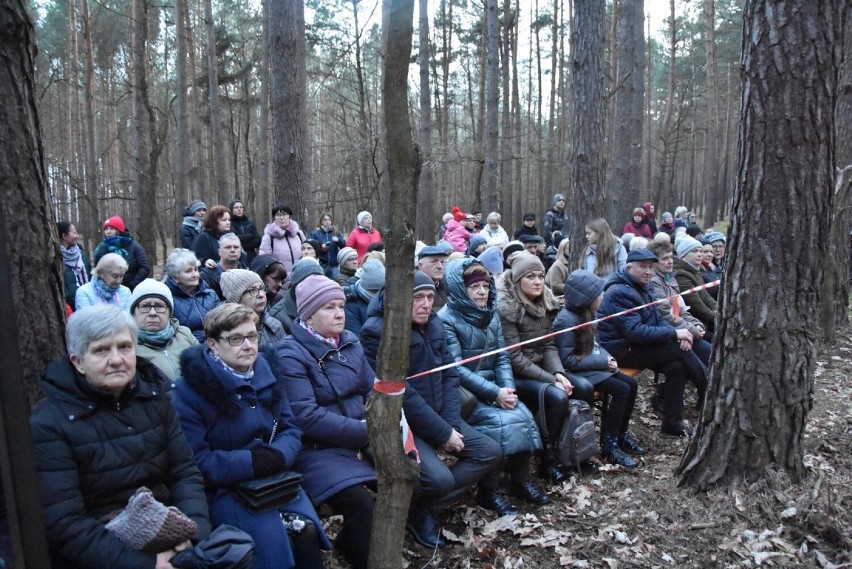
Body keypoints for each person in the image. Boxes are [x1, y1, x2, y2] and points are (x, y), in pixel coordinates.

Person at [30, 305, 211, 568]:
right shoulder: (50, 423)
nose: (116, 359)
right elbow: (64, 522)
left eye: (124, 347)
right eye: (101, 350)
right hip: (107, 553)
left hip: (172, 534)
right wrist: (147, 564)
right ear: (78, 362)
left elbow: (184, 472)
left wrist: (191, 533)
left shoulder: (155, 399)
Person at [173, 304, 330, 569]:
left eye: (252, 336)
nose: (247, 345)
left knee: (308, 532)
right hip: (227, 490)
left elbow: (290, 428)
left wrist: (278, 455)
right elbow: (196, 460)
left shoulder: (267, 371)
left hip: (276, 479)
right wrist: (251, 462)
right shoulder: (190, 390)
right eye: (235, 339)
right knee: (271, 553)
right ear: (212, 344)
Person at [361, 272, 502, 549]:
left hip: (440, 416)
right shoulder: (377, 332)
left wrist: (451, 424)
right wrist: (442, 433)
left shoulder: (433, 323)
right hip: (403, 424)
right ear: (398, 301)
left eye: (429, 297)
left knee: (490, 452)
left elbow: (449, 375)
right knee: (439, 479)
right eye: (417, 298)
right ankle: (415, 512)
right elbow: (402, 395)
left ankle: (426, 507)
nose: (426, 304)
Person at [276, 275, 376, 569]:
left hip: (362, 435)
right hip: (318, 449)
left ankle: (371, 539)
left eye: (341, 305)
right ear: (308, 313)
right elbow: (305, 415)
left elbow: (371, 389)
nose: (339, 313)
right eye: (329, 307)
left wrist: (381, 425)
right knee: (361, 504)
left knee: (413, 481)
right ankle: (361, 554)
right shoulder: (290, 351)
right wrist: (363, 432)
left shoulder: (350, 342)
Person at [439, 259, 548, 512]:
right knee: (497, 425)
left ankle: (520, 481)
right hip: (466, 394)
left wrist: (508, 390)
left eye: (485, 286)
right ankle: (488, 490)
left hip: (496, 390)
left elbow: (502, 357)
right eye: (474, 287)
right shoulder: (447, 320)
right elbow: (455, 368)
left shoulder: (491, 315)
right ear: (459, 289)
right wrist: (494, 393)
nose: (481, 292)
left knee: (521, 414)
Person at [496, 253, 592, 481]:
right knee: (557, 397)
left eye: (540, 276)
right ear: (519, 280)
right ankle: (546, 459)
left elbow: (549, 345)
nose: (538, 281)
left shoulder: (546, 303)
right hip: (516, 374)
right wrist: (552, 380)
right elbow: (515, 359)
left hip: (543, 368)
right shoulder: (507, 310)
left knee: (585, 388)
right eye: (531, 277)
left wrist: (559, 372)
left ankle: (576, 449)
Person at [596, 249, 708, 437]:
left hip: (637, 346)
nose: (648, 271)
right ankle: (708, 390)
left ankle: (672, 423)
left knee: (676, 366)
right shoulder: (619, 292)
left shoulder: (643, 287)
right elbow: (636, 333)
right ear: (628, 267)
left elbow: (657, 321)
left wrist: (679, 335)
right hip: (620, 350)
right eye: (643, 267)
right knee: (677, 351)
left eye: (650, 267)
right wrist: (675, 334)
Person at [553, 270, 645, 469]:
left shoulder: (587, 315)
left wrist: (607, 357)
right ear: (586, 298)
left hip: (591, 366)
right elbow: (567, 359)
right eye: (598, 294)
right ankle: (609, 445)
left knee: (631, 383)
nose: (602, 297)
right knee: (621, 389)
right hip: (577, 373)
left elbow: (595, 344)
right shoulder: (566, 320)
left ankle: (620, 433)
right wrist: (602, 363)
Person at [647, 240, 712, 367]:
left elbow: (680, 310)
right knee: (707, 356)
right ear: (654, 262)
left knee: (709, 352)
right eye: (665, 259)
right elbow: (666, 315)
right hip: (665, 333)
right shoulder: (654, 283)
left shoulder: (670, 278)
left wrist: (696, 325)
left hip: (681, 330)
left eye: (671, 257)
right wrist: (691, 331)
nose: (670, 261)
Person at [130, 279, 198, 380]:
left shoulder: (184, 334)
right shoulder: (128, 346)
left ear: (169, 312)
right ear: (133, 313)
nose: (152, 313)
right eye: (145, 306)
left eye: (159, 306)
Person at [164, 249, 220, 342]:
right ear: (175, 276)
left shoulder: (210, 294)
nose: (195, 275)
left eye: (196, 269)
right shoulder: (168, 299)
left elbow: (222, 322)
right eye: (188, 271)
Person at [221, 269, 286, 349]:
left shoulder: (275, 325)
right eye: (252, 290)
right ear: (236, 298)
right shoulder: (222, 330)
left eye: (261, 288)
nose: (262, 295)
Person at [674, 236, 717, 336]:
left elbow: (705, 296)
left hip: (704, 320)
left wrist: (717, 309)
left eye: (700, 251)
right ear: (683, 255)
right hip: (696, 322)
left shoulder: (696, 271)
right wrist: (717, 318)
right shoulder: (681, 274)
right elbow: (695, 304)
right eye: (694, 251)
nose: (699, 254)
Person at [93, 215, 149, 290]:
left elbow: (144, 267)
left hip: (131, 288)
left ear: (119, 231)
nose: (108, 232)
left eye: (112, 229)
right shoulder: (102, 247)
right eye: (106, 229)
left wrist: (132, 286)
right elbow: (98, 269)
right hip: (107, 289)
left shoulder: (133, 245)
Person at [259, 205, 306, 282]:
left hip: (300, 279)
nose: (281, 218)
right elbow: (264, 260)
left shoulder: (299, 234)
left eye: (284, 214)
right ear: (274, 217)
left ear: (289, 216)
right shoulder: (269, 237)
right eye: (278, 215)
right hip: (280, 281)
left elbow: (307, 252)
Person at [199, 232, 248, 300]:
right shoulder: (206, 276)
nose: (232, 250)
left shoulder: (247, 274)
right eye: (228, 247)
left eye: (236, 247)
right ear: (219, 252)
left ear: (240, 251)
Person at [344, 259, 385, 335]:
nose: (376, 295)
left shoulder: (385, 299)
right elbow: (355, 337)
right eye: (373, 291)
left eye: (380, 290)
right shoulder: (351, 303)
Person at [58, 220, 91, 311]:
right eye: (74, 233)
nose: (76, 236)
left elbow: (90, 275)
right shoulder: (57, 258)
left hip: (87, 300)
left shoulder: (81, 254)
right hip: (70, 307)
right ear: (64, 236)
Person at [417, 241, 452, 310]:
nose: (440, 266)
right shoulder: (413, 290)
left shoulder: (448, 287)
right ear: (420, 266)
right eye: (434, 262)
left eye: (442, 262)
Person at [310, 212, 345, 279]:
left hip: (335, 265)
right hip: (322, 265)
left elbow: (343, 246)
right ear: (321, 222)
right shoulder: (316, 234)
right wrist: (321, 248)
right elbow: (312, 249)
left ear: (331, 221)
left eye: (329, 220)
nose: (327, 221)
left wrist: (338, 240)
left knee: (336, 284)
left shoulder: (336, 233)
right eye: (325, 220)